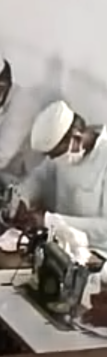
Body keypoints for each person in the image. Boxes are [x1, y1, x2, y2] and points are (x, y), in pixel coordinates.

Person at [14, 100, 107, 250]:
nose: (52, 159)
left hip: (97, 253)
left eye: (55, 154)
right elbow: (40, 176)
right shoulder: (62, 150)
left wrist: (50, 221)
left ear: (76, 138)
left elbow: (104, 228)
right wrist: (23, 198)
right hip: (59, 244)